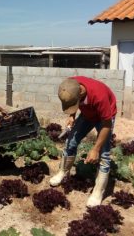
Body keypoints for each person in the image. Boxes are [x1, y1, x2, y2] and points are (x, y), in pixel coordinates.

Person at [49, 76, 117, 206]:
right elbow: (72, 102)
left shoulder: (99, 96)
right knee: (71, 142)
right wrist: (72, 115)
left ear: (81, 92)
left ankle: (98, 191)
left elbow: (107, 125)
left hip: (105, 118)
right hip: (88, 114)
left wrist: (95, 149)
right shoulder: (70, 85)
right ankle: (63, 172)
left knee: (104, 154)